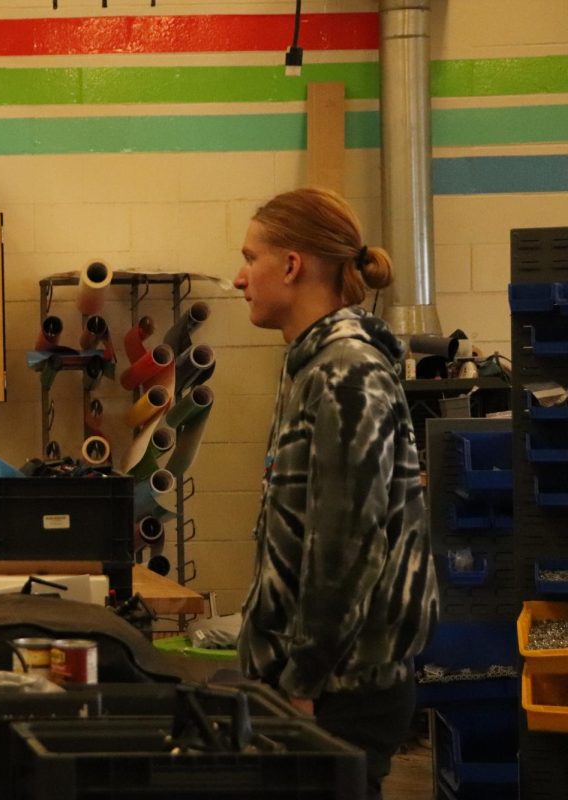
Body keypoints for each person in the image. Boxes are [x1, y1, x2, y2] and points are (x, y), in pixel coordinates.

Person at [233, 187, 439, 800]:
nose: (241, 278)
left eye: (251, 258)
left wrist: (303, 679)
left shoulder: (345, 372)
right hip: (324, 681)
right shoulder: (311, 365)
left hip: (340, 688)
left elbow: (346, 548)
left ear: (291, 265)